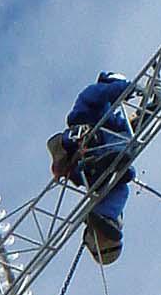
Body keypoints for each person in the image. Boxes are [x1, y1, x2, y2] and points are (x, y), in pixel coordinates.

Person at [46, 72, 150, 265]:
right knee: (120, 146)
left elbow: (129, 127)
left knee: (120, 181)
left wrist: (147, 112)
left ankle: (105, 218)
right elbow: (105, 93)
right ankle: (106, 209)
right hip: (81, 140)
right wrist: (127, 88)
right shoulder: (94, 97)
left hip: (93, 163)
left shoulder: (110, 117)